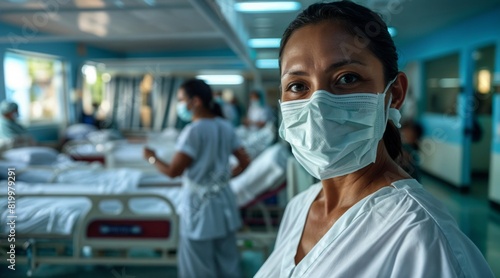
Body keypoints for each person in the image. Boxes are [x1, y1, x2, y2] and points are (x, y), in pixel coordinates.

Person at [255, 1, 494, 277]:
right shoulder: (300, 208)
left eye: (347, 78)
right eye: (298, 86)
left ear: (394, 94)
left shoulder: (420, 237)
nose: (318, 107)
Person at [143, 79, 250, 278]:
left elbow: (173, 171)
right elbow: (244, 161)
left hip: (199, 206)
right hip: (223, 201)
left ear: (196, 101)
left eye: (181, 99)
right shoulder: (225, 126)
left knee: (197, 266)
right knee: (228, 262)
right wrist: (222, 179)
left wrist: (151, 157)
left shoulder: (193, 132)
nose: (180, 104)